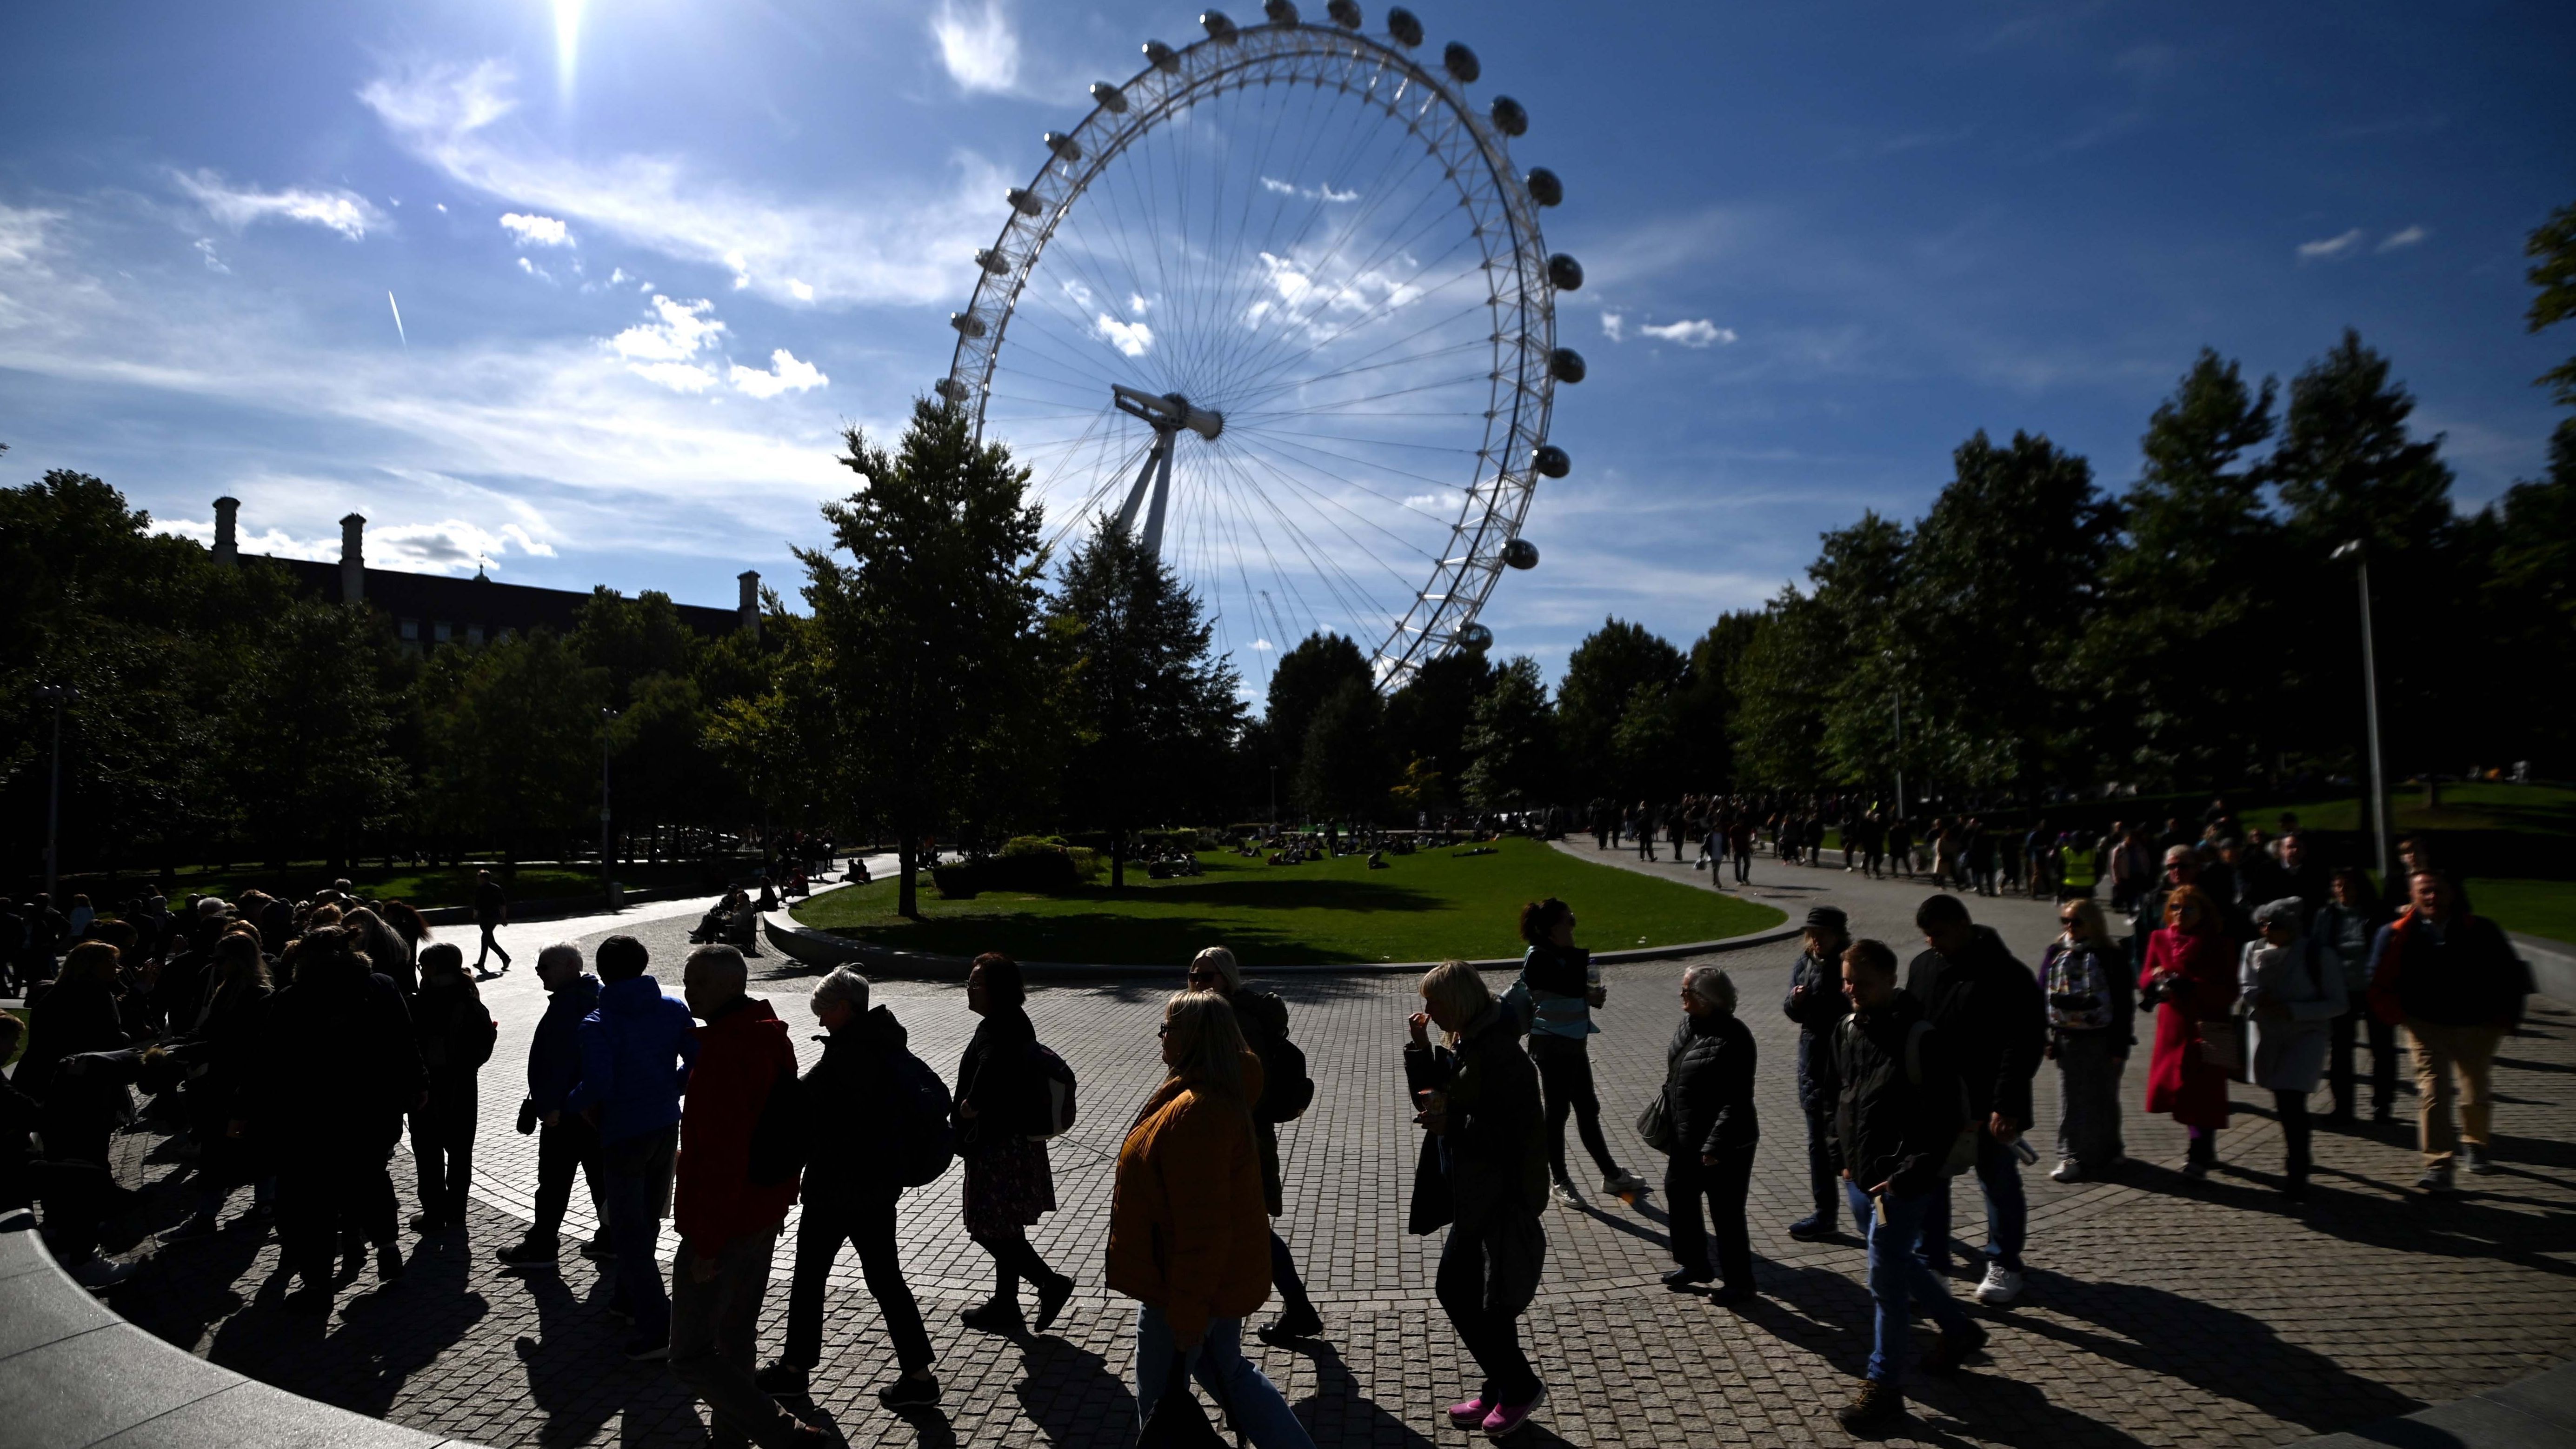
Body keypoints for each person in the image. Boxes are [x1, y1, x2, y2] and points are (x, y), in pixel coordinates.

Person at [1112, 991, 1317, 1449]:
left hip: (1181, 1288)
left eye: (1167, 1027)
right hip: (1209, 1283)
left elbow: (1202, 1229)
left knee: (1160, 1406)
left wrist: (1186, 1312)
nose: (1160, 1036)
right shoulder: (1209, 1092)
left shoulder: (1198, 1111)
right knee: (1229, 1372)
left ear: (1192, 1037)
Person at [662, 945, 827, 1447]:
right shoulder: (770, 1035)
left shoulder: (727, 1050)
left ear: (730, 986)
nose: (688, 991)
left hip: (725, 1221)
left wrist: (706, 1244)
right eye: (687, 981)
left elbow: (720, 1154)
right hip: (762, 1211)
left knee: (690, 1353)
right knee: (735, 1336)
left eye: (698, 982)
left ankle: (784, 1433)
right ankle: (730, 1438)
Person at [1816, 938, 1982, 1429]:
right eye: (1847, 980)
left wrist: (1905, 1175)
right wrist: (1837, 1153)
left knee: (1884, 1282)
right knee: (1896, 1261)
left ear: (1891, 980)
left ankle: (1884, 1387)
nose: (1852, 990)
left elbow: (1943, 1119)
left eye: (1862, 983)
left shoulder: (1920, 1037)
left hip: (1903, 1185)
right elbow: (1832, 1095)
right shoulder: (1846, 1028)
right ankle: (1958, 1329)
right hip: (1859, 1177)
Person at [761, 966, 939, 1409]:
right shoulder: (883, 1042)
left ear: (843, 1009)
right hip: (878, 1186)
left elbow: (804, 1110)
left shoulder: (849, 1056)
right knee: (885, 1278)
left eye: (822, 1011)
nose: (819, 1020)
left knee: (809, 1277)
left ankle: (795, 1371)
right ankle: (918, 1375)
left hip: (838, 1187)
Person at [243, 925, 426, 1310]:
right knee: (373, 1177)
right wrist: (417, 1084)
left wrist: (250, 1109)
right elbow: (405, 1040)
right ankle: (388, 1247)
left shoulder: (293, 998)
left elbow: (268, 1061)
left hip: (313, 1116)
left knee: (316, 1200)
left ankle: (318, 1282)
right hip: (373, 1109)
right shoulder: (380, 986)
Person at [1406, 959, 1550, 1440]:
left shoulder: (1502, 1054)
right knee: (1473, 1297)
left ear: (1460, 1002)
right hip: (1473, 1194)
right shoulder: (1469, 1042)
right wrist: (1421, 1051)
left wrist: (1454, 1126)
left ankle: (1519, 1385)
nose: (1428, 1010)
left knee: (1464, 1293)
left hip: (1497, 1198)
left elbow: (1517, 1135)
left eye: (1435, 1002)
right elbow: (1437, 1098)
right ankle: (1501, 1383)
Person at [1904, 894, 2044, 1306]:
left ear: (1964, 925)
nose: (1932, 943)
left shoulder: (2008, 975)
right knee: (1930, 1180)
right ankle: (1931, 1262)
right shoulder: (1922, 967)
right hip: (1936, 1100)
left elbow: (2022, 1045)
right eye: (1927, 936)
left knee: (1997, 1180)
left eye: (1940, 934)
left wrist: (2008, 1105)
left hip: (1988, 1102)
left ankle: (2005, 1262)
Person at [570, 933, 700, 1358]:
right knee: (648, 1220)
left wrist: (566, 1103)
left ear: (603, 971)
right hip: (664, 1125)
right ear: (644, 964)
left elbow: (599, 1085)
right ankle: (628, 1301)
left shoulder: (596, 1023)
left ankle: (656, 1328)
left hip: (623, 1132)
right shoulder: (673, 1007)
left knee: (628, 1233)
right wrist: (671, 1089)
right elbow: (698, 1060)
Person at [1185, 946, 1324, 1344]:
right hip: (1237, 1136)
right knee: (1247, 1227)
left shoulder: (1237, 1021)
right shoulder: (1217, 1015)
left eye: (1206, 977)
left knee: (1249, 1228)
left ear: (1227, 979)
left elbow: (1249, 1087)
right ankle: (1298, 1310)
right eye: (1193, 976)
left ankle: (1290, 1309)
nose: (1197, 983)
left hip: (1240, 1140)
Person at [2367, 871, 2533, 1192]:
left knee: (2474, 1088)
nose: (2431, 898)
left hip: (2476, 1024)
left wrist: (2508, 1018)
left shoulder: (2481, 930)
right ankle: (2438, 1165)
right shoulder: (2394, 933)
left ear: (2451, 894)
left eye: (2437, 891)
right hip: (2424, 1024)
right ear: (2412, 896)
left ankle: (2475, 1143)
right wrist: (2397, 1016)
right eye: (2424, 892)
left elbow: (2510, 974)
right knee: (2433, 1091)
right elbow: (2377, 978)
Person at [953, 952, 1075, 1333]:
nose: (969, 990)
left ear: (996, 991)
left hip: (995, 1146)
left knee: (986, 1228)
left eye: (975, 984)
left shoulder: (993, 1029)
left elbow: (991, 1066)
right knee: (1006, 1228)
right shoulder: (1018, 1022)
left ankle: (1049, 1283)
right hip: (1018, 1142)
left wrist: (971, 1105)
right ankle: (1006, 1305)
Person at [1500, 898, 1648, 1208]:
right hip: (1551, 1045)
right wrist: (1585, 988)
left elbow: (1572, 990)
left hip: (1573, 1043)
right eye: (1569, 921)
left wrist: (1591, 997)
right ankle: (1560, 1181)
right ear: (1550, 929)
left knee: (1587, 1107)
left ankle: (1611, 1175)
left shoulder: (1560, 956)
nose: (1573, 926)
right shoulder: (1538, 957)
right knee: (1557, 1114)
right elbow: (1566, 985)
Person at [499, 944, 611, 1266]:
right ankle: (610, 1238)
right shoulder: (594, 995)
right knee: (600, 1177)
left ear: (569, 967)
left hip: (566, 1111)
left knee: (553, 1181)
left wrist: (550, 1107)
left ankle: (542, 1245)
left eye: (545, 966)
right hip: (593, 1108)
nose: (538, 972)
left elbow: (559, 1063)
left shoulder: (570, 1004)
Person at [161, 931, 275, 1240]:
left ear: (237, 961)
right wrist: (179, 1045)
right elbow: (211, 1033)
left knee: (225, 1151)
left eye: (221, 959)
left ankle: (209, 1217)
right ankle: (258, 1206)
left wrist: (187, 1050)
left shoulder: (258, 996)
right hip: (227, 1080)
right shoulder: (229, 990)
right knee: (241, 1149)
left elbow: (234, 1045)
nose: (216, 965)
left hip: (240, 1084)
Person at [1659, 964, 1757, 1302]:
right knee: (1679, 1195)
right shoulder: (1689, 1025)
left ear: (1706, 998)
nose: (1681, 996)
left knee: (1726, 1214)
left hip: (1726, 1144)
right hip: (1686, 1138)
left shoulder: (1735, 1037)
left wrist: (1715, 1145)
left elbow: (1737, 1099)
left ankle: (1740, 1283)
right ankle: (1695, 1265)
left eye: (1687, 991)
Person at [2241, 898, 2346, 1200]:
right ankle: (2298, 1161)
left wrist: (2293, 1010)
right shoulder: (2251, 949)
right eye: (2262, 925)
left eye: (2273, 926)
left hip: (2306, 1035)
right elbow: (2245, 986)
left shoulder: (2317, 955)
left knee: (2291, 1100)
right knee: (2281, 1101)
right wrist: (2257, 998)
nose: (2266, 931)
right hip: (2267, 1035)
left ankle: (2297, 1168)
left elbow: (2338, 1003)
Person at [2139, 885, 2238, 1177]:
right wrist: (2154, 980)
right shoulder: (2159, 937)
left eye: (2189, 909)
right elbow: (2144, 974)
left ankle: (2200, 1152)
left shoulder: (2220, 943)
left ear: (2204, 912)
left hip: (2212, 1023)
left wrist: (2193, 985)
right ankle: (2202, 1147)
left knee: (2207, 1091)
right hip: (2174, 1024)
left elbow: (2230, 990)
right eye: (2175, 908)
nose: (2180, 914)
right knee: (2178, 1088)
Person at [2039, 898, 2132, 1183]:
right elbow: (2040, 995)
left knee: (2104, 1097)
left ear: (2093, 923)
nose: (2070, 927)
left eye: (2076, 921)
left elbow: (2123, 1003)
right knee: (2071, 1100)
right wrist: (2046, 1036)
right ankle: (2070, 1156)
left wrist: (2120, 1046)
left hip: (2103, 1038)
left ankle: (2110, 1148)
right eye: (2065, 921)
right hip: (2067, 1037)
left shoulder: (2110, 955)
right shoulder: (2056, 953)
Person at [404, 942, 494, 1233]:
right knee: (460, 1151)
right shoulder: (470, 1000)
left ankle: (434, 1213)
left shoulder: (418, 1003)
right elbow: (484, 1045)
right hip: (463, 1086)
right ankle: (456, 1212)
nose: (419, 970)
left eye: (422, 966)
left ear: (432, 969)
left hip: (427, 1088)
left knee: (428, 1153)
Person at [1780, 906, 1851, 1240]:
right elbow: (1793, 1013)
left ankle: (1880, 1215)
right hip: (1812, 1065)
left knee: (1855, 1144)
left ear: (1838, 935)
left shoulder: (1849, 964)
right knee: (1817, 1146)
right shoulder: (1805, 962)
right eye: (1813, 933)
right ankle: (1826, 1215)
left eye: (1823, 934)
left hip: (1846, 1066)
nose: (1817, 939)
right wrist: (1795, 1002)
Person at [2313, 867, 2396, 1123]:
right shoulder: (2327, 915)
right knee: (2340, 1049)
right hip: (2340, 989)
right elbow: (2317, 949)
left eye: (2346, 887)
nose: (2341, 892)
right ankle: (2343, 1106)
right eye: (2337, 886)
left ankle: (2382, 1105)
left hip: (2374, 988)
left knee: (2382, 1048)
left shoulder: (2377, 914)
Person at [13, 940, 132, 1100]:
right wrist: (125, 1038)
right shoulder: (95, 993)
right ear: (93, 965)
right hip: (74, 1077)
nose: (118, 967)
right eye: (111, 961)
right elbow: (109, 1039)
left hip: (38, 1072)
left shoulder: (58, 990)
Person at [473, 869, 512, 974]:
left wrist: (475, 914)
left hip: (485, 917)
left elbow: (477, 904)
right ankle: (481, 962)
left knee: (489, 940)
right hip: (495, 917)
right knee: (485, 938)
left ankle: (505, 957)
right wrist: (503, 917)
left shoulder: (480, 889)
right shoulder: (496, 888)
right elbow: (503, 904)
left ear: (483, 879)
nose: (477, 879)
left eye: (479, 877)